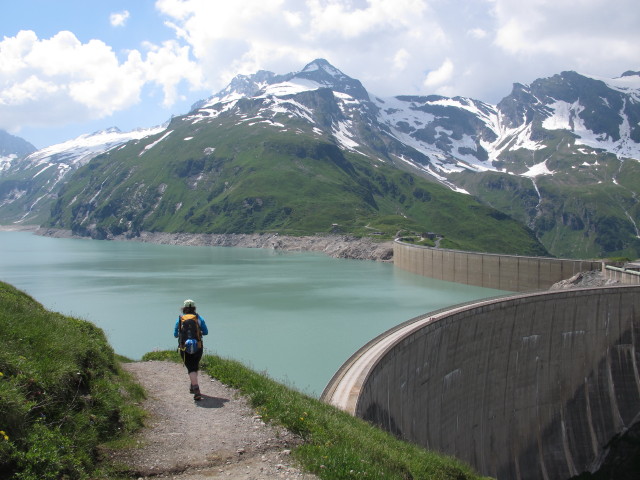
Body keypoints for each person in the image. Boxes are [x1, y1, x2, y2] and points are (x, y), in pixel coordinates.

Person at [174, 299, 208, 400]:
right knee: (195, 366)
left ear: (184, 308)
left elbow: (175, 334)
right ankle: (193, 386)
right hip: (198, 346)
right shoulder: (199, 318)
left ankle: (196, 389)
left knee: (191, 368)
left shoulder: (180, 319)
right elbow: (206, 332)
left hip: (184, 347)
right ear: (194, 308)